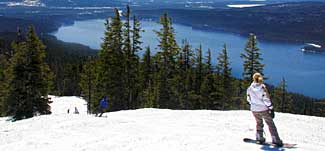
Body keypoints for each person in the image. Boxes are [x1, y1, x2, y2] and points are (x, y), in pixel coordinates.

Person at [246, 73, 283, 147]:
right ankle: (276, 139)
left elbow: (248, 99)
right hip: (263, 109)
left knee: (259, 123)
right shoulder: (262, 88)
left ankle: (259, 137)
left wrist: (254, 104)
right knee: (270, 123)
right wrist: (271, 108)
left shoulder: (249, 88)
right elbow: (266, 99)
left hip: (254, 109)